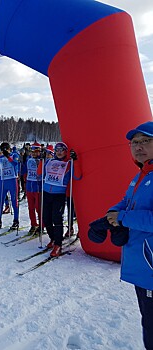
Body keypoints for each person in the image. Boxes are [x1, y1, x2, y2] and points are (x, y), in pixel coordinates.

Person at [106, 121, 153, 350]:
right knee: (149, 324)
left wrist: (123, 217)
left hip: (151, 267)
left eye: (146, 141)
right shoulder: (142, 175)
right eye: (135, 142)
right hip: (142, 266)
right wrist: (109, 215)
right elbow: (127, 202)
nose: (139, 146)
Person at [37, 142, 81, 257]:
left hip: (59, 195)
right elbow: (39, 174)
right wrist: (42, 161)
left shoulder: (68, 163)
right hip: (46, 193)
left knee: (57, 218)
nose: (59, 152)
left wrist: (75, 161)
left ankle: (58, 244)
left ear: (66, 152)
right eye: (57, 150)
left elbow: (77, 176)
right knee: (46, 218)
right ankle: (53, 238)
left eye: (62, 150)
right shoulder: (49, 162)